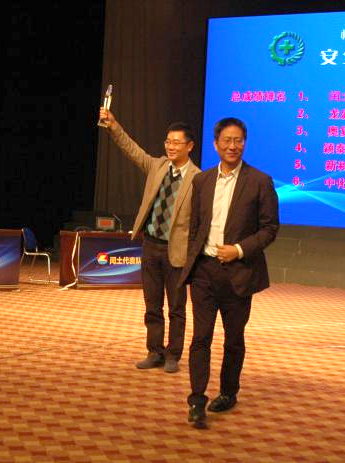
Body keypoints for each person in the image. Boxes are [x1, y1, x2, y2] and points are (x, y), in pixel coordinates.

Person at [181, 117, 279, 429]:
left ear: (244, 143)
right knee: (200, 338)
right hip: (204, 272)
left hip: (239, 273)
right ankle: (197, 400)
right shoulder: (202, 181)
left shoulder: (260, 181)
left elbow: (269, 229)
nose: (232, 146)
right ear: (216, 144)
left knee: (234, 339)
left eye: (238, 140)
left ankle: (228, 392)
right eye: (226, 140)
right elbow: (196, 227)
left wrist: (238, 250)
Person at [99, 107, 200, 373]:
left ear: (189, 146)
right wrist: (113, 126)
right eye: (168, 141)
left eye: (176, 142)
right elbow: (132, 150)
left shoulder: (198, 179)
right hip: (151, 245)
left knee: (176, 308)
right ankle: (154, 351)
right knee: (152, 305)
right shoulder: (158, 166)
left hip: (176, 252)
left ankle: (173, 355)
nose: (171, 147)